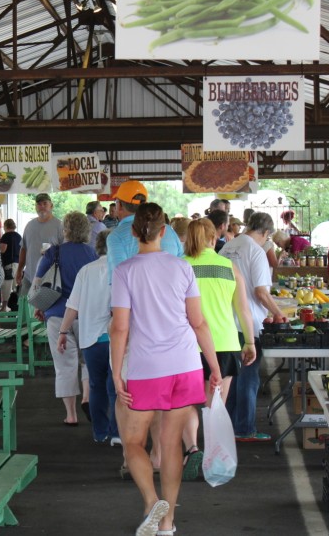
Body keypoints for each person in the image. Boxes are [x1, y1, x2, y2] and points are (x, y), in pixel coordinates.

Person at [110, 203, 221, 536]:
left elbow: (120, 328)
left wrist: (117, 372)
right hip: (185, 365)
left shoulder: (125, 271)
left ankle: (150, 502)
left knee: (133, 442)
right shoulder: (183, 268)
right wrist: (213, 366)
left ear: (133, 232)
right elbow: (198, 322)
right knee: (172, 445)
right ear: (164, 231)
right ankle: (168, 523)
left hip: (146, 368)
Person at [181, 218, 257, 480]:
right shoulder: (229, 267)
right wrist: (250, 342)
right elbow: (243, 310)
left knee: (188, 404)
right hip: (224, 344)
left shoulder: (181, 267)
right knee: (216, 405)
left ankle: (192, 449)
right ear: (214, 239)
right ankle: (214, 458)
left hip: (187, 344)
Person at [220, 212, 286, 442]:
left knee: (231, 378)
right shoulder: (256, 252)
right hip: (247, 324)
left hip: (225, 322)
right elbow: (260, 291)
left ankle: (227, 426)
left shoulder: (227, 247)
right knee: (248, 378)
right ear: (266, 233)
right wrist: (278, 312)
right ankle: (245, 429)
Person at [33, 211, 97, 426]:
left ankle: (71, 414)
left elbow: (37, 283)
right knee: (87, 359)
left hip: (57, 315)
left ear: (65, 230)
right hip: (86, 316)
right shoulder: (92, 254)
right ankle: (87, 397)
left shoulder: (54, 253)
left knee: (64, 365)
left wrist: (41, 306)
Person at [58, 229, 118, 445]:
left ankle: (100, 432)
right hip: (117, 339)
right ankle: (117, 433)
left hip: (91, 339)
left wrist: (63, 332)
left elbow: (72, 306)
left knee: (96, 385)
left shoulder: (86, 271)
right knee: (117, 387)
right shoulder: (122, 269)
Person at [106, 180, 183, 277]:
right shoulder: (169, 231)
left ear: (120, 205)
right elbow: (182, 269)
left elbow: (117, 279)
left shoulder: (116, 237)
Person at [15, 193, 63, 297]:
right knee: (25, 308)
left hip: (49, 279)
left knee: (44, 310)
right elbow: (24, 249)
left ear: (51, 205)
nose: (42, 206)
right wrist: (19, 270)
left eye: (45, 203)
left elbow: (65, 251)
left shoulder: (60, 225)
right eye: (39, 204)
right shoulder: (29, 225)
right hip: (29, 276)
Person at [0, 219, 22, 308]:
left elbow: (2, 250)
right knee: (16, 287)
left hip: (9, 264)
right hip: (18, 263)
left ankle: (4, 307)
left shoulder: (5, 236)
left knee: (7, 286)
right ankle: (16, 306)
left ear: (6, 226)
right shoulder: (19, 236)